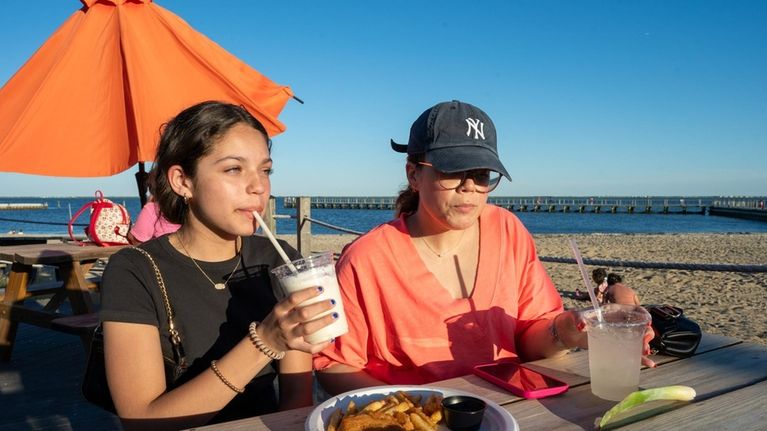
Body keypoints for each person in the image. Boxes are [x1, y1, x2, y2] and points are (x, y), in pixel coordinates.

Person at [314, 100, 654, 395]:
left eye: (481, 175)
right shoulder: (366, 258)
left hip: (509, 406)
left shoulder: (507, 230)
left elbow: (528, 339)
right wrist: (404, 409)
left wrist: (564, 331)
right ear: (414, 174)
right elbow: (335, 367)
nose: (469, 188)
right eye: (451, 171)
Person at [100, 101, 339, 430]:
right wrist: (265, 342)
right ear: (182, 181)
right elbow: (141, 421)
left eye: (265, 170)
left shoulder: (277, 258)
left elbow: (295, 403)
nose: (259, 186)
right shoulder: (134, 271)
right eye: (233, 169)